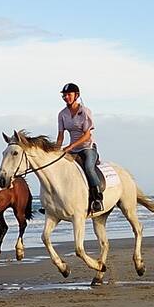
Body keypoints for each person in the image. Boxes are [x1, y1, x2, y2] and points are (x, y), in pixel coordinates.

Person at [56, 82, 104, 213]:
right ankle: (55, 201)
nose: (66, 97)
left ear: (76, 95)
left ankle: (97, 199)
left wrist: (71, 146)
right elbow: (60, 135)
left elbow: (87, 135)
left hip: (87, 147)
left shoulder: (85, 112)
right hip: (72, 150)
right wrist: (55, 151)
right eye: (64, 95)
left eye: (69, 95)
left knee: (88, 168)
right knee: (58, 169)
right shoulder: (62, 114)